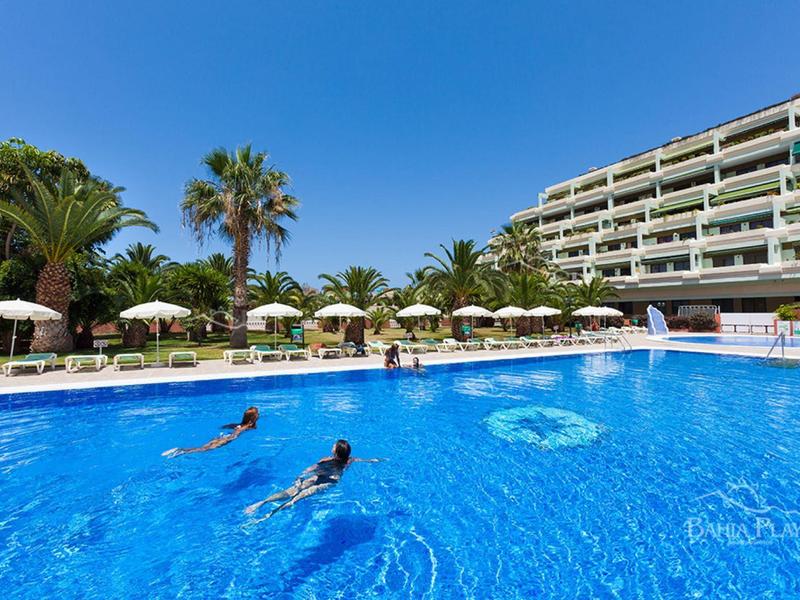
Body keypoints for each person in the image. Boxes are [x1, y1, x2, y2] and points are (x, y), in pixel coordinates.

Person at [244, 439, 382, 519]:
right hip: (329, 482)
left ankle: (261, 503)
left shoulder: (325, 459)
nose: (332, 446)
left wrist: (299, 478)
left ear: (335, 451)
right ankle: (267, 516)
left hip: (316, 477)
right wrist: (375, 460)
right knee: (296, 499)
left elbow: (310, 470)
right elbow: (364, 460)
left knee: (290, 492)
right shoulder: (349, 461)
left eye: (334, 446)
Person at [161, 407, 259, 458]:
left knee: (203, 447)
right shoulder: (246, 427)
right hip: (227, 438)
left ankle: (180, 450)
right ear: (253, 419)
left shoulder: (238, 424)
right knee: (204, 449)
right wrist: (233, 436)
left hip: (221, 436)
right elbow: (237, 432)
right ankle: (180, 451)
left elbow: (226, 426)